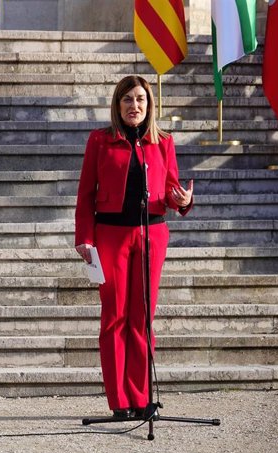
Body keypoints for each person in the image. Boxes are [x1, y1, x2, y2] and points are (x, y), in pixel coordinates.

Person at [74, 75, 193, 419]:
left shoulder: (163, 142)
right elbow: (85, 194)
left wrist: (184, 200)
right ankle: (120, 401)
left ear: (149, 105)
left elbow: (172, 189)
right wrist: (85, 237)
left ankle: (141, 398)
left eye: (140, 99)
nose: (134, 106)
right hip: (110, 236)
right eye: (127, 99)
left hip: (151, 234)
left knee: (142, 318)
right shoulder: (100, 141)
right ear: (117, 105)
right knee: (115, 317)